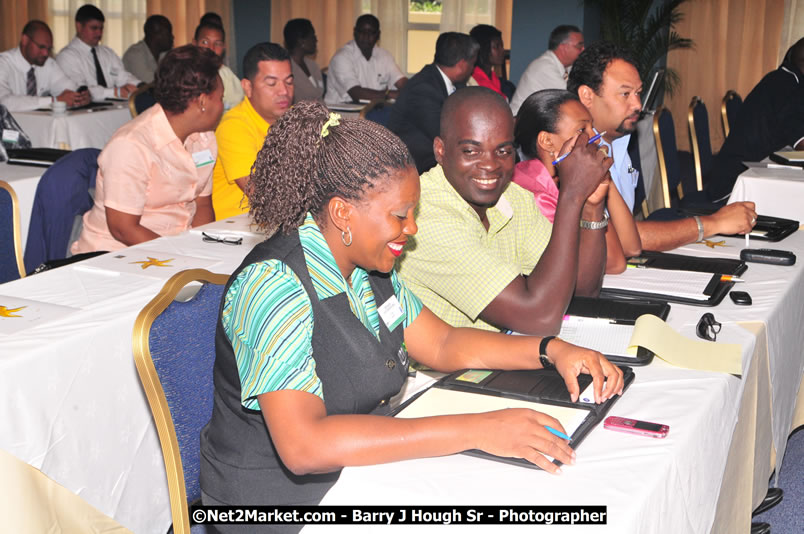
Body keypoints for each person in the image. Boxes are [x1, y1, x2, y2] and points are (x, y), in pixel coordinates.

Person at [199, 100, 624, 523]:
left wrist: (549, 349)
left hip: (356, 479)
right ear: (342, 213)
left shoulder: (368, 268)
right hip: (280, 510)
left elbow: (442, 342)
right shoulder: (273, 285)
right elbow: (306, 446)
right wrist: (479, 428)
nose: (412, 229)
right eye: (400, 216)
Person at [396, 87, 610, 336]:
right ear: (441, 151)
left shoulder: (512, 197)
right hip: (440, 373)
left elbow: (582, 289)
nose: (490, 165)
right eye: (471, 151)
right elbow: (540, 317)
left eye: (503, 151)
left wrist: (591, 207)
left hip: (499, 359)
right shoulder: (426, 216)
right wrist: (572, 196)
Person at [567, 42, 757, 252]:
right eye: (625, 94)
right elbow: (616, 240)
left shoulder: (618, 140)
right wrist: (714, 223)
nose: (638, 104)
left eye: (638, 92)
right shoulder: (573, 154)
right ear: (587, 96)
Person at [71, 45, 222, 254]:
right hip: (117, 255)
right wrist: (180, 258)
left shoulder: (205, 138)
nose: (223, 105)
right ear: (203, 102)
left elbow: (203, 205)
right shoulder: (131, 145)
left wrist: (199, 251)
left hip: (176, 251)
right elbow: (123, 228)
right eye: (221, 98)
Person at [514, 89, 641, 274]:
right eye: (582, 130)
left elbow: (631, 246)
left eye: (592, 128)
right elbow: (613, 262)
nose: (596, 140)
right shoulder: (534, 194)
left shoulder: (563, 180)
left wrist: (604, 177)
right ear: (547, 141)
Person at [704, 37, 804, 202]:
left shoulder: (784, 79)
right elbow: (800, 141)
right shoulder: (787, 86)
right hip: (734, 187)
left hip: (745, 172)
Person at [211, 42, 293, 220]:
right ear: (247, 87)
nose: (284, 91)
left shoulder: (294, 121)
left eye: (289, 82)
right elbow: (262, 195)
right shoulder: (234, 126)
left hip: (275, 227)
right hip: (236, 230)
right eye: (272, 83)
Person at [387, 32, 478, 173]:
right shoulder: (423, 88)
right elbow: (443, 133)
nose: (473, 69)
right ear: (461, 65)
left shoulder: (457, 85)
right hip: (412, 164)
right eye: (472, 64)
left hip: (436, 154)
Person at [56, 4, 140, 102]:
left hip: (113, 109)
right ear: (79, 26)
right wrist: (115, 92)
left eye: (101, 28)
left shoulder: (107, 53)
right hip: (82, 113)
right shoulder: (66, 57)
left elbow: (122, 76)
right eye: (94, 28)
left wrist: (140, 86)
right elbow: (82, 91)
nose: (99, 33)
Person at [0, 20, 90, 111]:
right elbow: (4, 102)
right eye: (41, 47)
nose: (45, 53)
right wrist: (53, 101)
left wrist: (81, 97)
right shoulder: (3, 63)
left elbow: (70, 89)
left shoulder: (49, 64)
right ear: (25, 40)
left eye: (49, 49)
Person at [324, 14, 407, 104]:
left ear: (378, 35)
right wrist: (388, 94)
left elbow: (402, 83)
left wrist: (412, 90)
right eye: (362, 32)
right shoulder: (341, 58)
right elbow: (356, 94)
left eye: (371, 32)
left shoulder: (384, 56)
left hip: (371, 111)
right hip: (342, 113)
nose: (366, 36)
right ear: (354, 32)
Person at [510, 25, 584, 116]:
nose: (583, 50)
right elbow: (572, 99)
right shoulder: (544, 67)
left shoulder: (567, 67)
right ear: (563, 48)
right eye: (579, 46)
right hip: (519, 121)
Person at [193, 20, 244, 110]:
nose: (211, 48)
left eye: (217, 44)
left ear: (224, 47)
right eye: (205, 42)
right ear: (194, 43)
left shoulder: (226, 75)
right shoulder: (183, 71)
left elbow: (236, 109)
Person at [122, 15, 174, 84]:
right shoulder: (134, 55)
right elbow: (152, 83)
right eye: (168, 33)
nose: (172, 37)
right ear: (154, 34)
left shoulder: (165, 54)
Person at [284, 18, 324, 103]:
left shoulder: (313, 65)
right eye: (313, 36)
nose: (316, 40)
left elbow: (319, 97)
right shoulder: (286, 68)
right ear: (301, 41)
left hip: (322, 113)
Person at [468, 24, 509, 99]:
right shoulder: (470, 82)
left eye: (502, 46)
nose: (502, 50)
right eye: (497, 46)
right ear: (483, 48)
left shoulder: (503, 84)